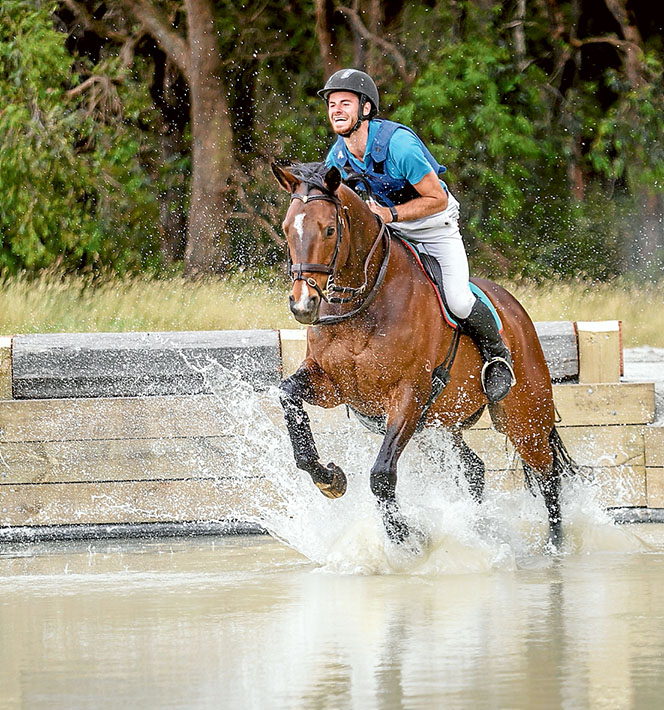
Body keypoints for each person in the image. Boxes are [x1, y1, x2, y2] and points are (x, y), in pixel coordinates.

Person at [318, 68, 515, 403]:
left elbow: (436, 198)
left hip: (434, 226)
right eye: (332, 104)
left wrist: (389, 214)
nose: (336, 109)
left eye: (345, 103)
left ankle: (498, 357)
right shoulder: (337, 154)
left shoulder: (400, 145)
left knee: (458, 299)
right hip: (389, 230)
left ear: (365, 109)